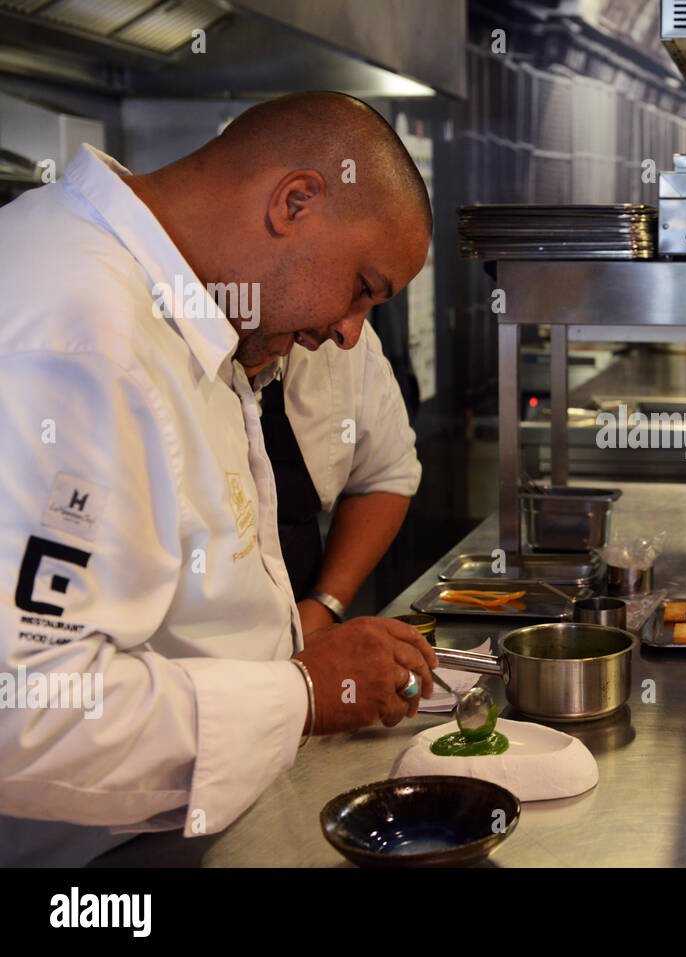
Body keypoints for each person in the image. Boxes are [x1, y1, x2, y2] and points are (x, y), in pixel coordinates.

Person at [0, 92, 438, 865]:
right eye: (363, 288)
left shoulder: (182, 313)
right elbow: (30, 714)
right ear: (295, 201)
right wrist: (303, 691)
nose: (348, 332)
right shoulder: (82, 336)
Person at [241, 318, 421, 636]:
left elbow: (386, 474)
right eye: (361, 287)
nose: (349, 335)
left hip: (303, 626)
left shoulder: (341, 339)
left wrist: (324, 606)